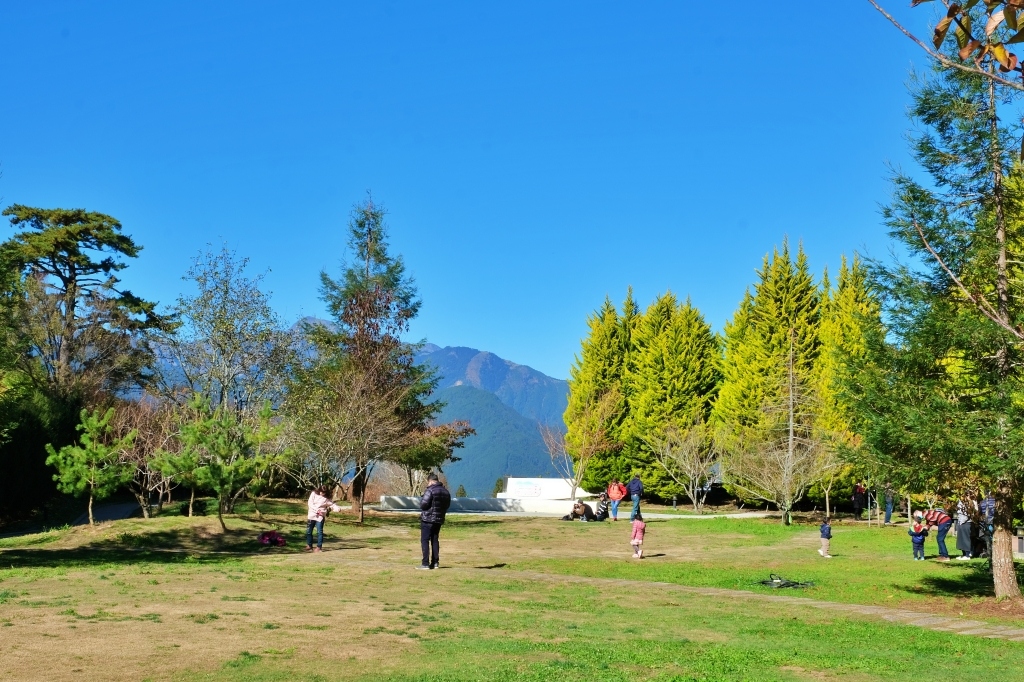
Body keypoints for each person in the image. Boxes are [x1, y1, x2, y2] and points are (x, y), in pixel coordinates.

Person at [417, 473, 451, 570]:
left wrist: (423, 497)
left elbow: (423, 505)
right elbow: (447, 505)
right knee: (435, 540)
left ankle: (425, 563)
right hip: (439, 519)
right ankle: (435, 562)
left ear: (430, 481)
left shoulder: (430, 490)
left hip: (427, 519)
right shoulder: (446, 492)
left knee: (425, 540)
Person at [306, 486, 341, 553]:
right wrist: (316, 510)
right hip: (311, 515)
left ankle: (319, 547)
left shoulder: (326, 498)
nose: (322, 493)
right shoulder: (313, 493)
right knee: (309, 531)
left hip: (320, 517)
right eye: (321, 492)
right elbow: (310, 503)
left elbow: (332, 505)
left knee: (319, 532)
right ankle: (309, 545)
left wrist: (337, 509)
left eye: (324, 493)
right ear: (319, 490)